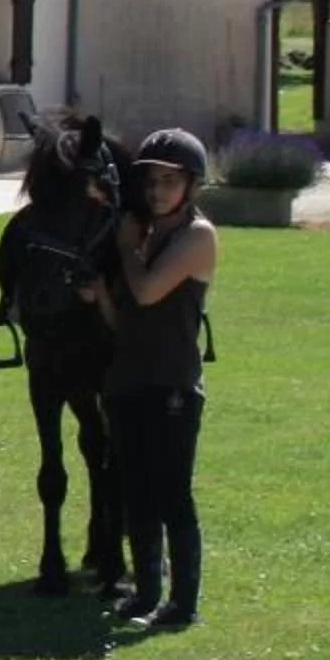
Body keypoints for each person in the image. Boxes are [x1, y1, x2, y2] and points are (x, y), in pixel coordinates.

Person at [85, 127, 218, 632]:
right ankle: (144, 595)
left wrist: (124, 249)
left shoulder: (196, 237)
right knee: (135, 493)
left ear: (190, 186)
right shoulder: (145, 233)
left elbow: (145, 293)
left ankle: (182, 606)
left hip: (172, 386)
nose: (158, 191)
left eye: (170, 181)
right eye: (152, 182)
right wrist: (100, 296)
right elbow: (127, 320)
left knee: (172, 495)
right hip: (128, 380)